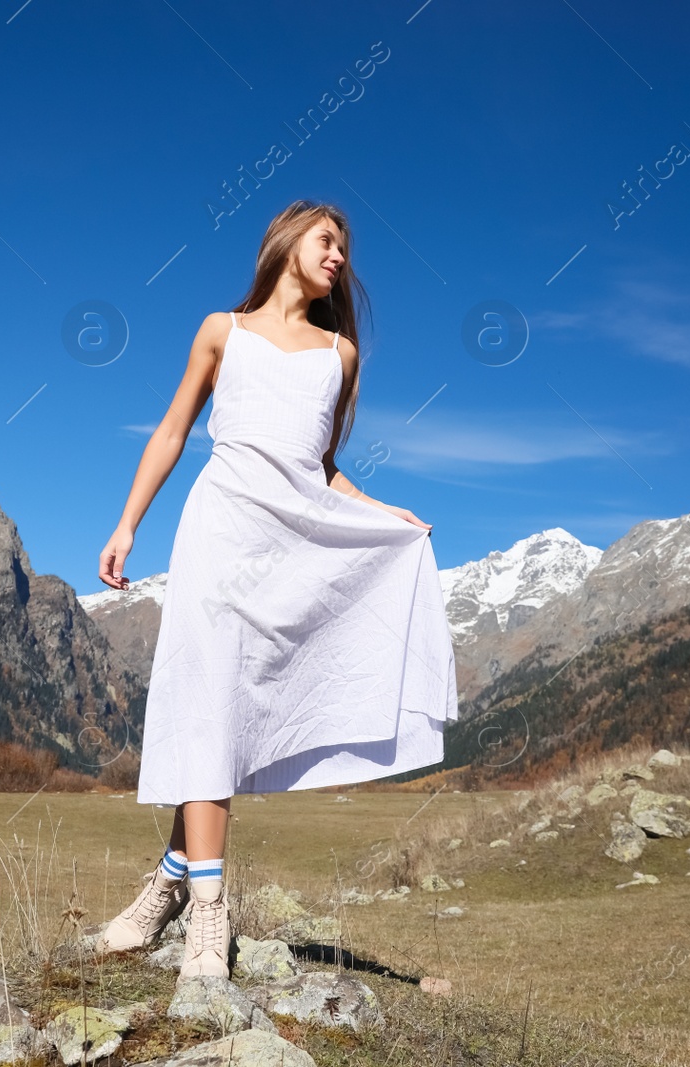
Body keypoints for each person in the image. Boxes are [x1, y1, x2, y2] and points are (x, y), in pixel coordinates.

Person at [94, 200, 458, 980]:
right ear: (288, 242)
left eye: (345, 250)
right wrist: (127, 525)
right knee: (208, 702)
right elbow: (171, 432)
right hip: (218, 533)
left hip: (289, 545)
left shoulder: (340, 354)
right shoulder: (220, 330)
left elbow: (318, 467)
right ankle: (206, 917)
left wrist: (381, 512)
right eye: (329, 241)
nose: (340, 258)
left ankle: (167, 884)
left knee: (231, 717)